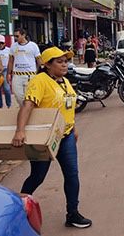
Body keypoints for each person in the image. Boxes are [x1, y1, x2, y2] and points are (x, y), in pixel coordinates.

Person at [11, 47, 92, 229]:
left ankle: (72, 214)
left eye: (65, 61)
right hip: (45, 138)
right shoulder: (39, 81)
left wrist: (73, 127)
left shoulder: (64, 81)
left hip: (66, 136)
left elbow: (67, 106)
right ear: (47, 65)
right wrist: (20, 131)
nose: (65, 64)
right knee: (38, 176)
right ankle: (16, 209)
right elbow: (28, 105)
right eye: (59, 61)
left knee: (72, 175)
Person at [7, 28, 42, 107]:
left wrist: (41, 71)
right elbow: (11, 61)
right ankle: (24, 109)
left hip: (30, 75)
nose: (15, 38)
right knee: (17, 94)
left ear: (23, 35)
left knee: (29, 96)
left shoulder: (33, 46)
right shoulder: (13, 46)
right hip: (17, 75)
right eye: (14, 36)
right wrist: (9, 73)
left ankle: (26, 111)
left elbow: (39, 60)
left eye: (17, 36)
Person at [0, 35, 11, 109]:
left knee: (7, 89)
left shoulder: (9, 50)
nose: (0, 45)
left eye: (2, 43)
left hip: (5, 70)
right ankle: (0, 106)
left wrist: (10, 72)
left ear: (4, 43)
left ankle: (8, 105)